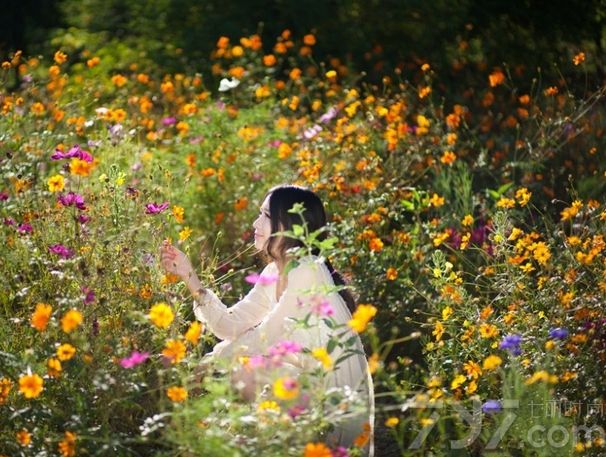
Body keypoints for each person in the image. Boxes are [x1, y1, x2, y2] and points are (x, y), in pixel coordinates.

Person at [159, 184, 374, 455]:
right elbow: (230, 325)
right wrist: (189, 275)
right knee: (244, 368)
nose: (255, 222)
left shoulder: (307, 270)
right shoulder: (274, 271)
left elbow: (267, 337)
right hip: (300, 384)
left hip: (330, 403)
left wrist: (210, 363)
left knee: (247, 369)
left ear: (290, 225)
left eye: (265, 215)